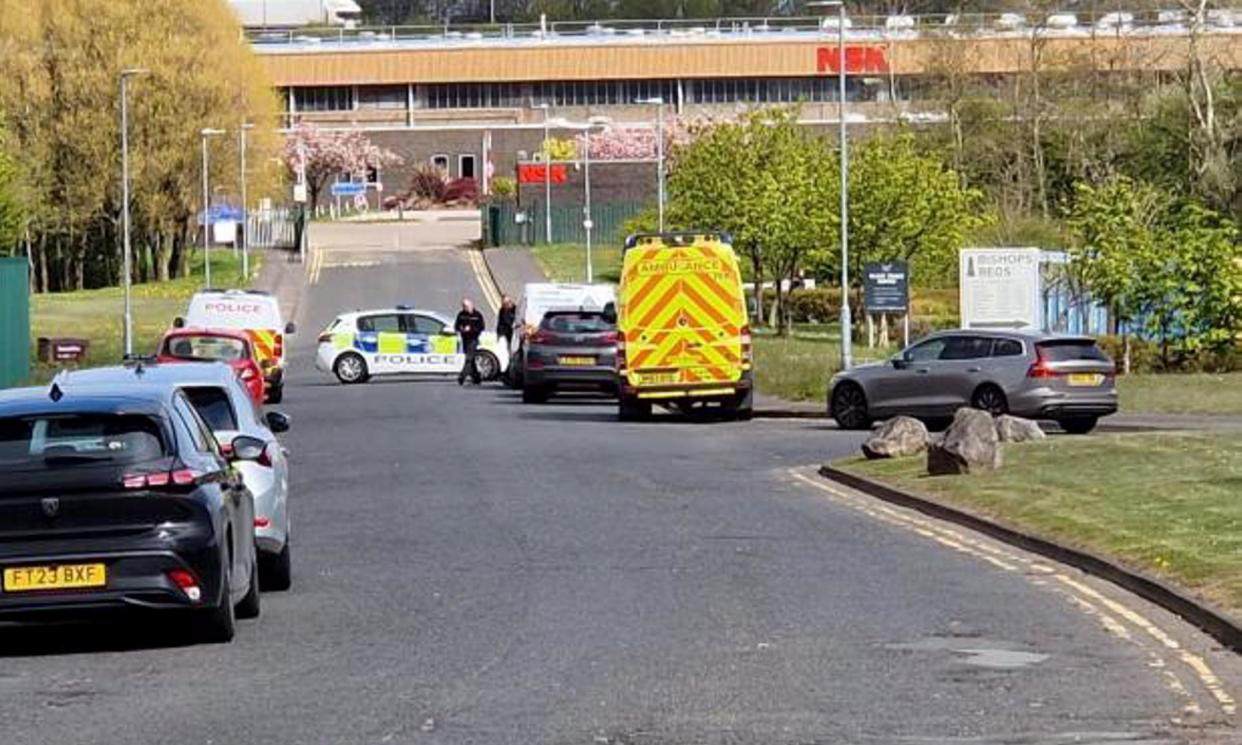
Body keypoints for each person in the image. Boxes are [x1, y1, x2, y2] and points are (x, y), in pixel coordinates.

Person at [455, 298, 486, 385]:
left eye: (467, 306)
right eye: (464, 306)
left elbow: (481, 327)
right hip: (465, 339)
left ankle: (462, 377)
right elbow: (456, 326)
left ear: (472, 305)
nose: (465, 308)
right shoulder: (461, 314)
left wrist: (471, 329)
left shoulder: (477, 315)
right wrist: (461, 329)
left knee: (468, 358)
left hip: (474, 339)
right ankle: (477, 378)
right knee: (471, 359)